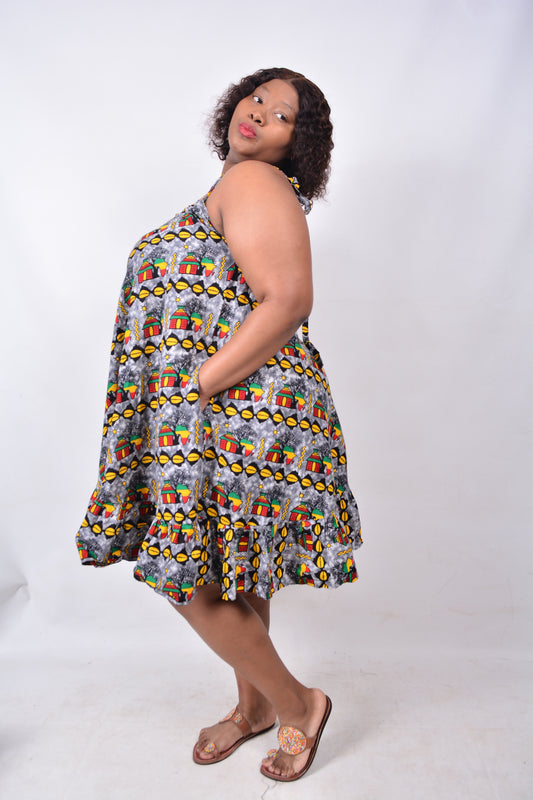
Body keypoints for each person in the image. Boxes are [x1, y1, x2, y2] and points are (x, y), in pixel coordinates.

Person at [76, 67, 362, 782]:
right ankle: (254, 707)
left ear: (297, 144)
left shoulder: (254, 182)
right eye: (257, 97)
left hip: (237, 412)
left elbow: (287, 298)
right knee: (231, 567)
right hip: (229, 411)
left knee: (187, 576)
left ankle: (299, 705)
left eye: (283, 115)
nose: (259, 112)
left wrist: (193, 386)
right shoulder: (231, 188)